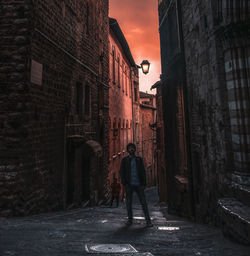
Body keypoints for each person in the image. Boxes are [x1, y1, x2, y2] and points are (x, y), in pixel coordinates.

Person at [119, 143, 153, 227]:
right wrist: (124, 183)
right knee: (129, 203)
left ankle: (148, 221)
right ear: (127, 150)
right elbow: (122, 172)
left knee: (143, 203)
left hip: (138, 184)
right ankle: (130, 220)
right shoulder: (124, 160)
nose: (131, 150)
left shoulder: (139, 160)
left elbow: (143, 172)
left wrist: (144, 183)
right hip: (129, 184)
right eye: (130, 148)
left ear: (135, 149)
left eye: (132, 148)